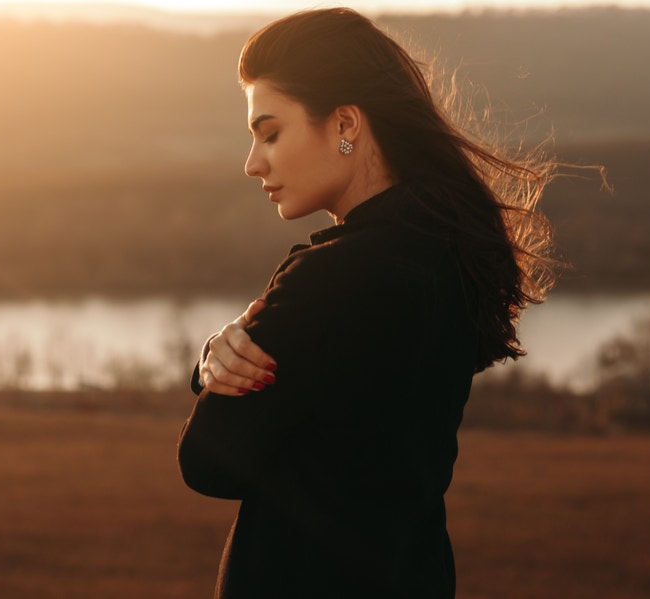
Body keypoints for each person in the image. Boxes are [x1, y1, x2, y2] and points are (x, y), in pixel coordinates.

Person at [178, 8, 556, 598]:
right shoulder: (448, 254)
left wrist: (212, 370)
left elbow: (208, 463)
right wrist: (213, 357)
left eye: (270, 132)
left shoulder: (330, 276)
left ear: (344, 123)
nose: (253, 163)